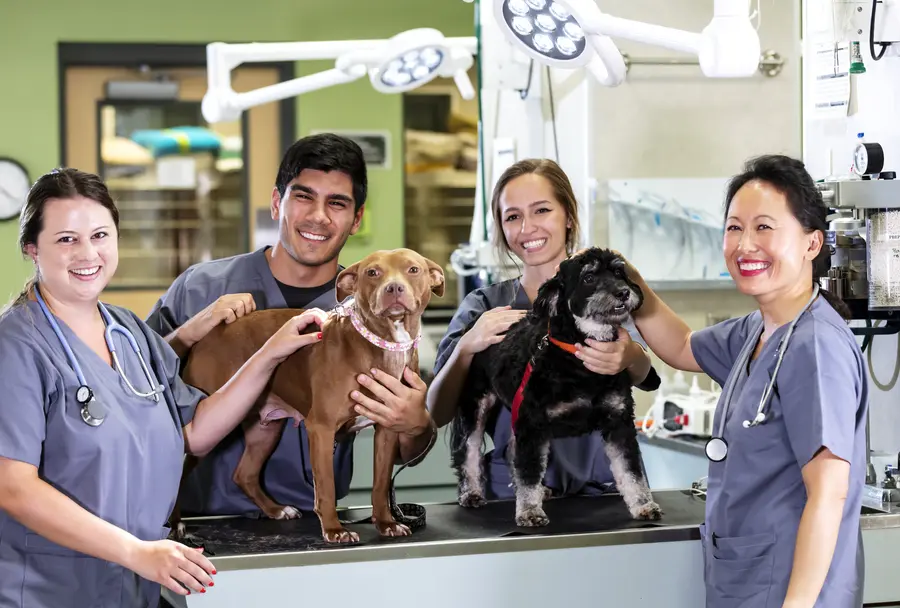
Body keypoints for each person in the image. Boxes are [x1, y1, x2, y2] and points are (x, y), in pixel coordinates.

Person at [0, 168, 328, 607]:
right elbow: (13, 486)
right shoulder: (16, 345)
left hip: (135, 587)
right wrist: (136, 553)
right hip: (50, 588)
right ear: (31, 248)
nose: (87, 253)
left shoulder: (130, 333)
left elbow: (194, 432)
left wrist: (271, 352)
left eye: (100, 235)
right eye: (66, 239)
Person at [145, 133, 436, 520]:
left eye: (337, 203)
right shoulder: (201, 288)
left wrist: (419, 425)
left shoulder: (370, 313)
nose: (318, 216)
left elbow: (405, 451)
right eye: (303, 197)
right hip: (191, 522)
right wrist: (189, 332)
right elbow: (131, 385)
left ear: (356, 219)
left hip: (306, 527)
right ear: (276, 202)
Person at [624, 155, 867, 607]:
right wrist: (628, 280)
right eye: (734, 228)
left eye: (764, 228)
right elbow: (681, 346)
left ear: (812, 243)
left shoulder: (815, 347)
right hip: (748, 580)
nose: (745, 244)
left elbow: (829, 495)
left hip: (790, 591)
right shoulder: (758, 329)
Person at [427, 158, 658, 499]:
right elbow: (436, 412)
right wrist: (466, 348)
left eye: (541, 210)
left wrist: (630, 354)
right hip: (514, 496)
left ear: (568, 215)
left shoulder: (609, 291)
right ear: (501, 229)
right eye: (513, 217)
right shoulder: (484, 306)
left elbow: (647, 375)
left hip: (604, 491)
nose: (527, 228)